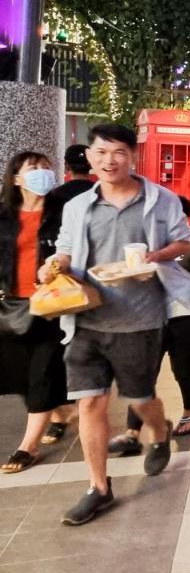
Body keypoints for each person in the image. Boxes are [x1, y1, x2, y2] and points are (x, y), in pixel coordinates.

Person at [40, 123, 190, 525]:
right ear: (91, 157)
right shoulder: (78, 206)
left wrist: (154, 258)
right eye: (100, 153)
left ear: (132, 155)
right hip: (86, 316)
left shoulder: (161, 199)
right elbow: (65, 252)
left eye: (117, 152)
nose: (108, 160)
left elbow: (184, 242)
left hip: (140, 317)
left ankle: (160, 428)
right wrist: (53, 267)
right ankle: (98, 487)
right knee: (90, 402)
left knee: (138, 397)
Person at [108, 196, 190, 456]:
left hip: (182, 315)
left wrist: (175, 276)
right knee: (144, 373)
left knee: (183, 366)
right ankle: (132, 431)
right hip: (148, 317)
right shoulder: (141, 247)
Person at [0, 151, 70, 473]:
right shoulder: (3, 216)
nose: (43, 173)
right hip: (11, 307)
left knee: (42, 373)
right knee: (21, 379)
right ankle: (58, 413)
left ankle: (26, 446)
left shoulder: (62, 214)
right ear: (16, 178)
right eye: (33, 169)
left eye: (46, 168)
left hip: (50, 305)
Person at [42, 143, 93, 247]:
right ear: (91, 164)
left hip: (61, 252)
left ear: (66, 166)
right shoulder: (100, 192)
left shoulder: (54, 196)